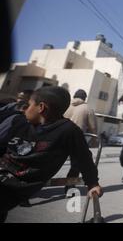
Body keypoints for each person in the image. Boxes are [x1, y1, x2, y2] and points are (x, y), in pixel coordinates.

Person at [0, 86, 102, 222]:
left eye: (28, 105)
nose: (24, 109)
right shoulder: (19, 122)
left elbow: (84, 159)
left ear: (41, 107)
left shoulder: (68, 131)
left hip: (14, 187)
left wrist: (92, 183)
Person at [63, 89, 97, 195]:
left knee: (53, 163)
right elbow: (93, 127)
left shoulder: (67, 106)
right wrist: (94, 140)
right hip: (76, 140)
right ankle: (69, 187)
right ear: (84, 98)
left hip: (61, 138)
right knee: (76, 165)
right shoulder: (87, 108)